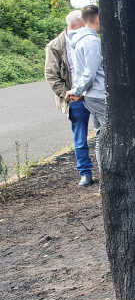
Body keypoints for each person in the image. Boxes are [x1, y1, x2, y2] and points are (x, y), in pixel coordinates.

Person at [45, 10, 93, 186]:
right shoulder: (55, 46)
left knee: (104, 132)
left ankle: (107, 170)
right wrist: (68, 94)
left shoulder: (89, 40)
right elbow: (51, 75)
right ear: (75, 26)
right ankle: (85, 173)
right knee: (80, 137)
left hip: (93, 94)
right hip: (75, 99)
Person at [66, 5, 107, 183]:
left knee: (101, 136)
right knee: (108, 136)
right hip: (99, 95)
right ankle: (108, 178)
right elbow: (89, 73)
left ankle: (106, 177)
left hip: (92, 96)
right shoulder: (91, 41)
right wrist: (76, 91)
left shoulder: (80, 40)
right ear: (97, 19)